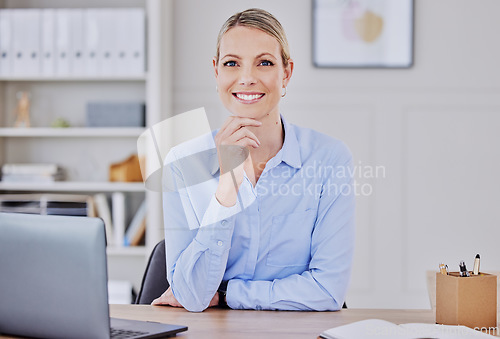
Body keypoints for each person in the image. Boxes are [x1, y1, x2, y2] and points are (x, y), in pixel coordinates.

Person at [152, 8, 355, 312]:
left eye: (264, 63)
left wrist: (227, 294)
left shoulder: (330, 159)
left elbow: (327, 291)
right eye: (232, 63)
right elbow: (191, 295)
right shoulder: (183, 162)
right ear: (216, 72)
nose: (246, 78)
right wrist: (226, 187)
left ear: (286, 73)